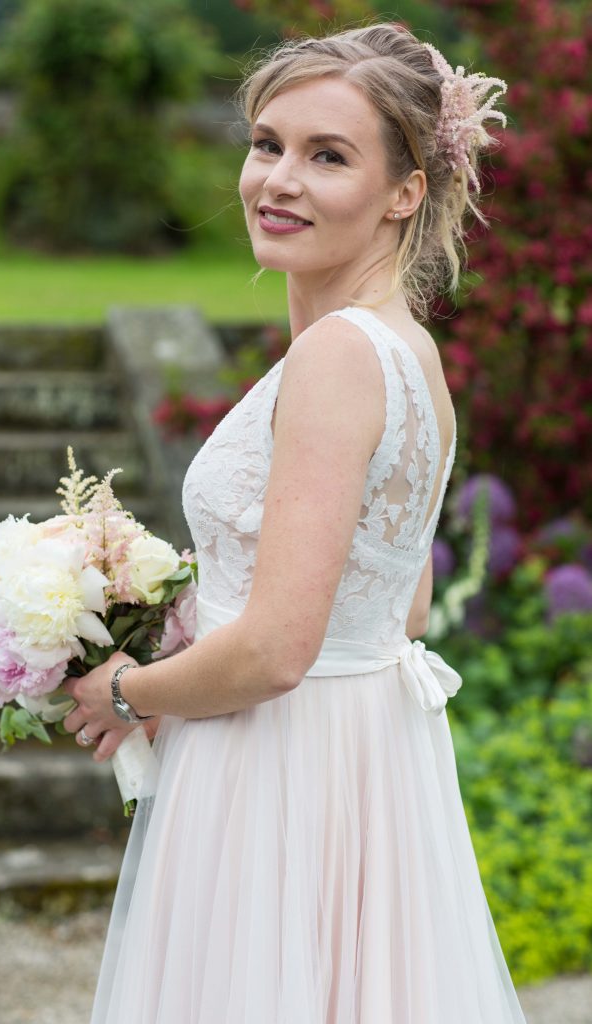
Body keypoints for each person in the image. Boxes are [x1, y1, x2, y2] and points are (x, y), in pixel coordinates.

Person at [62, 20, 529, 1023]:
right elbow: (397, 607)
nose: (277, 178)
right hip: (362, 768)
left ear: (404, 192)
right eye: (266, 143)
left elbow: (277, 650)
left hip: (276, 773)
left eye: (326, 156)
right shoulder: (407, 355)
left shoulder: (334, 360)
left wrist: (126, 687)